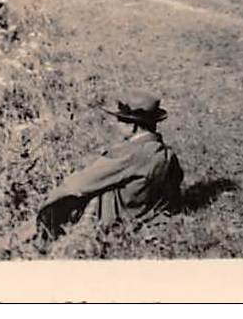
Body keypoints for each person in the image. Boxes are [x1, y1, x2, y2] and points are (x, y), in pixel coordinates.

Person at [36, 93, 184, 240]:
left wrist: (49, 198)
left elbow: (80, 184)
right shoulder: (167, 155)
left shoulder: (129, 153)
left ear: (133, 126)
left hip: (116, 222)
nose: (116, 124)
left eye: (120, 120)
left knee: (69, 197)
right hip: (143, 216)